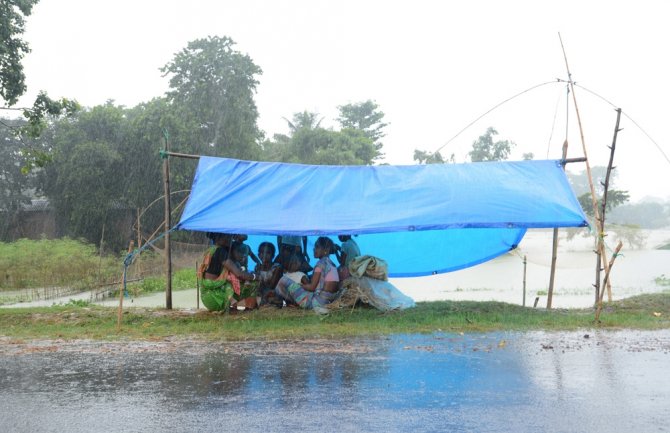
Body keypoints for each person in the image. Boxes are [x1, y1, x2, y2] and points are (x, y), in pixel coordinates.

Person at [274, 236, 340, 310]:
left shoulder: (320, 264)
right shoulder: (332, 264)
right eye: (315, 247)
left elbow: (312, 287)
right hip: (329, 301)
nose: (314, 249)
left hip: (317, 303)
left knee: (283, 280)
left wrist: (300, 286)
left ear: (326, 250)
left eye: (317, 247)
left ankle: (285, 303)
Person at [199, 233, 235, 311]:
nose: (231, 240)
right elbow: (238, 273)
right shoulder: (220, 251)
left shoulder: (210, 250)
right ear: (220, 238)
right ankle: (233, 303)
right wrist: (254, 276)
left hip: (206, 297)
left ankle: (230, 303)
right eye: (229, 237)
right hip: (215, 299)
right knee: (236, 281)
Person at [223, 241, 261, 310]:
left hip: (240, 280)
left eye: (244, 253)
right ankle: (233, 306)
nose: (243, 255)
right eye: (239, 252)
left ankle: (249, 306)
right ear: (231, 252)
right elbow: (238, 275)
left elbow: (242, 274)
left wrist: (258, 262)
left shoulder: (239, 262)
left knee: (253, 284)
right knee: (228, 287)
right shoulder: (229, 262)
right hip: (231, 285)